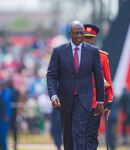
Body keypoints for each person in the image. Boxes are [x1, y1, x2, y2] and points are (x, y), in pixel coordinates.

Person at [46, 21, 105, 150]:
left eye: (81, 33)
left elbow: (99, 77)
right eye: (76, 33)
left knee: (79, 130)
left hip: (84, 99)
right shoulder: (58, 51)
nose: (79, 36)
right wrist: (53, 95)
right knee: (67, 133)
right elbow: (51, 76)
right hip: (64, 99)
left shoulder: (93, 51)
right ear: (70, 34)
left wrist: (100, 100)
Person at [83, 24, 113, 150]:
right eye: (86, 38)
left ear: (94, 39)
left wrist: (109, 103)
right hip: (78, 102)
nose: (88, 41)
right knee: (78, 135)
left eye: (91, 38)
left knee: (91, 135)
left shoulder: (102, 57)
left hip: (96, 103)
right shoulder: (75, 55)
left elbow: (108, 81)